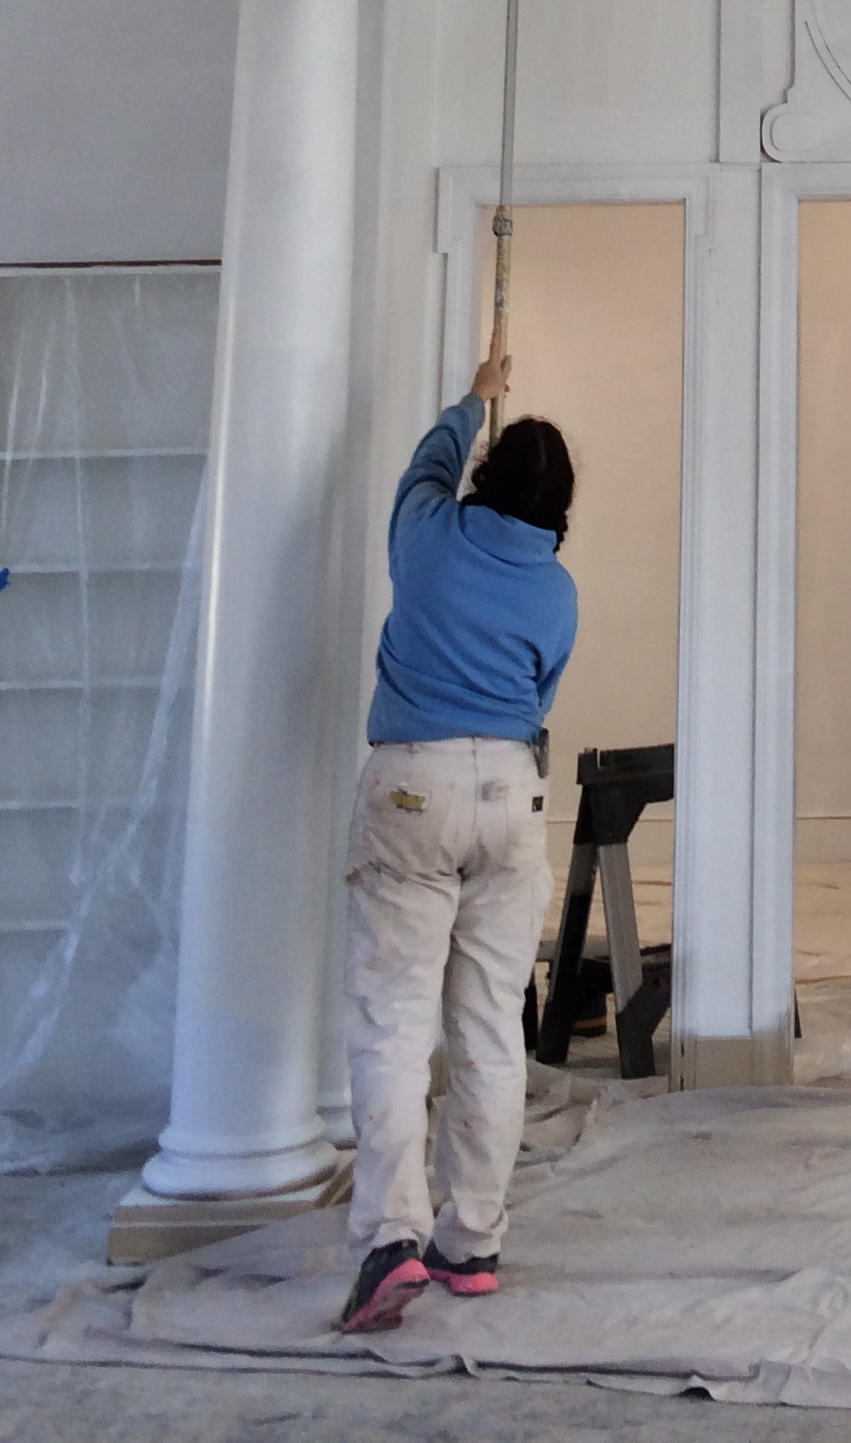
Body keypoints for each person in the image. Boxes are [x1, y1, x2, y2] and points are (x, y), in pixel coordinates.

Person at [338, 339, 578, 1333]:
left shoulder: (428, 533)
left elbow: (425, 466)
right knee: (488, 1027)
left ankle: (391, 1240)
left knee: (395, 1021)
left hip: (411, 787)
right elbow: (539, 698)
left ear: (484, 476)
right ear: (558, 509)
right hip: (510, 793)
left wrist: (474, 401)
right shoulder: (556, 591)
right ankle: (471, 1241)